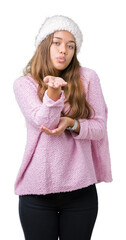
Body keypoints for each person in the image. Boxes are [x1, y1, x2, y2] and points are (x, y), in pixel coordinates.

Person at [13, 15, 112, 240]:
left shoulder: (87, 78)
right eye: (57, 42)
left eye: (70, 45)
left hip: (80, 191)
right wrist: (54, 93)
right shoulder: (24, 84)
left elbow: (99, 128)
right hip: (37, 193)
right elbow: (44, 123)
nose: (63, 51)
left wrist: (73, 123)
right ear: (44, 45)